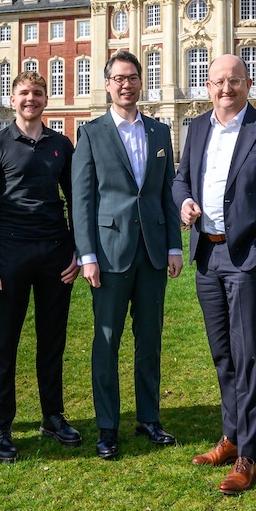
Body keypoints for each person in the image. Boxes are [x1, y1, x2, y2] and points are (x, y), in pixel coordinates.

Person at [174, 54, 256, 494]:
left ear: (249, 84)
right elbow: (180, 180)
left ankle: (249, 454)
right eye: (217, 82)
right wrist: (184, 202)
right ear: (206, 87)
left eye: (234, 81)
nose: (225, 89)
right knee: (222, 353)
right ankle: (230, 437)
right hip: (206, 257)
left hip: (246, 257)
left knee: (248, 356)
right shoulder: (197, 128)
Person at [70, 51, 183, 460]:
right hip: (109, 253)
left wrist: (174, 245)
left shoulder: (158, 132)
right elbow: (81, 201)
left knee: (149, 339)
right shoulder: (91, 133)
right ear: (107, 84)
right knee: (107, 341)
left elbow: (168, 192)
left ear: (140, 82)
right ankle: (107, 426)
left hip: (153, 253)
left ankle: (149, 418)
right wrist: (86, 255)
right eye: (118, 78)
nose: (126, 85)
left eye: (132, 78)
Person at [0, 70, 82, 463]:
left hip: (55, 254)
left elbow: (77, 202)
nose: (30, 99)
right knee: (4, 344)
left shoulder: (61, 145)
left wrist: (77, 251)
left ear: (45, 99)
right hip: (10, 255)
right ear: (12, 100)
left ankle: (53, 416)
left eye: (36, 93)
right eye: (23, 94)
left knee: (53, 341)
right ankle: (1, 426)